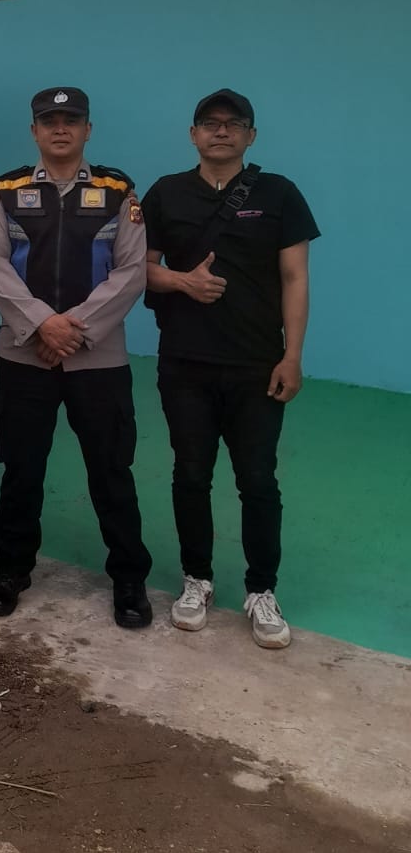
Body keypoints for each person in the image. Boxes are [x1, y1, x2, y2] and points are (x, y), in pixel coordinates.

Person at [141, 89, 319, 649]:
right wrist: (183, 282)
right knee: (191, 474)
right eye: (210, 123)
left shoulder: (279, 194)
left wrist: (292, 355)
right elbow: (139, 268)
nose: (221, 131)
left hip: (256, 364)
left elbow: (295, 277)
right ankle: (196, 580)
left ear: (251, 136)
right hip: (185, 363)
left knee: (258, 480)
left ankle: (262, 590)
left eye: (233, 123)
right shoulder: (166, 193)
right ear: (193, 134)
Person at [0, 87, 152, 628]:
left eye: (71, 120)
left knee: (111, 470)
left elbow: (131, 271)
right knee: (21, 470)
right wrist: (41, 324)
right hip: (25, 355)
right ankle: (11, 570)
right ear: (34, 130)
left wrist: (72, 330)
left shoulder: (117, 191)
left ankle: (129, 579)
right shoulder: (6, 191)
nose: (60, 128)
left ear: (87, 130)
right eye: (49, 120)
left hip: (97, 359)